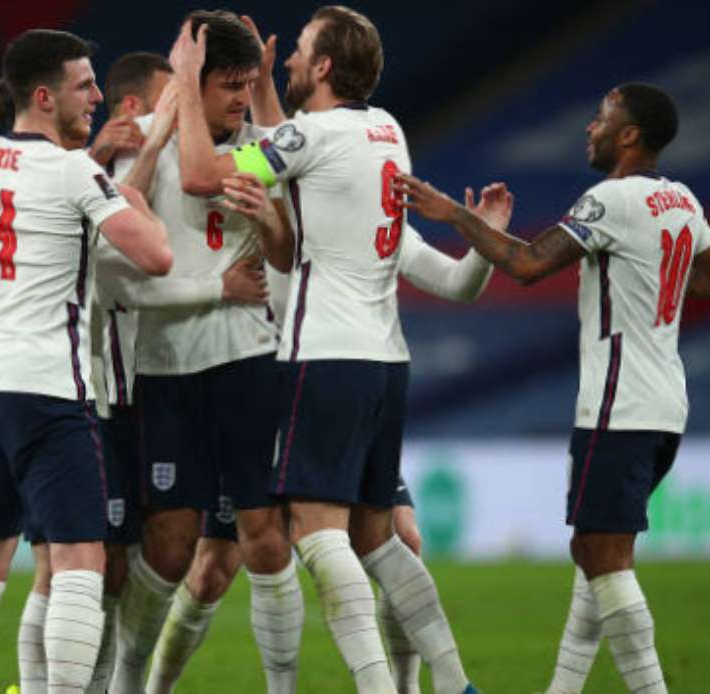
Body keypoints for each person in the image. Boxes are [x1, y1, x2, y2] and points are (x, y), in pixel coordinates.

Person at [171, 7, 479, 694]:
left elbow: (199, 172)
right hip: (386, 360)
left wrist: (190, 78)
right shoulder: (386, 129)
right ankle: (456, 684)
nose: (288, 61)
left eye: (301, 53)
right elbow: (306, 156)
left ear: (325, 68)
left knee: (316, 534)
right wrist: (269, 104)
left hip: (326, 355)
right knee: (378, 538)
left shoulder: (313, 134)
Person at [397, 83, 710, 694]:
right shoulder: (680, 200)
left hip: (618, 407)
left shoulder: (610, 200)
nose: (590, 128)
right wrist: (650, 286)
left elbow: (527, 264)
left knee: (605, 566)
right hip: (666, 406)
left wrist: (455, 216)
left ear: (629, 135)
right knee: (593, 555)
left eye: (602, 117)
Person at [7, 51, 269, 694]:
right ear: (138, 111)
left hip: (128, 399)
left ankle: (107, 684)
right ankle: (41, 687)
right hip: (77, 397)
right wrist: (135, 150)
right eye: (168, 103)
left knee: (115, 568)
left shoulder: (112, 168)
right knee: (66, 565)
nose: (175, 116)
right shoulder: (80, 175)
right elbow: (131, 273)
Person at [0, 28, 172, 694]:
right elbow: (155, 257)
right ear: (43, 97)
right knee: (78, 561)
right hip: (47, 387)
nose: (98, 95)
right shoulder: (77, 173)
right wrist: (133, 201)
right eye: (84, 84)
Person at [104, 13, 297, 694]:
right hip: (165, 368)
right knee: (168, 546)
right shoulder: (148, 149)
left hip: (247, 357)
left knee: (264, 535)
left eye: (249, 84)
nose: (242, 97)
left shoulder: (264, 148)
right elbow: (124, 264)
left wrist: (271, 216)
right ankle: (131, 681)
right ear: (195, 82)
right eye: (229, 85)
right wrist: (174, 100)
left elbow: (286, 255)